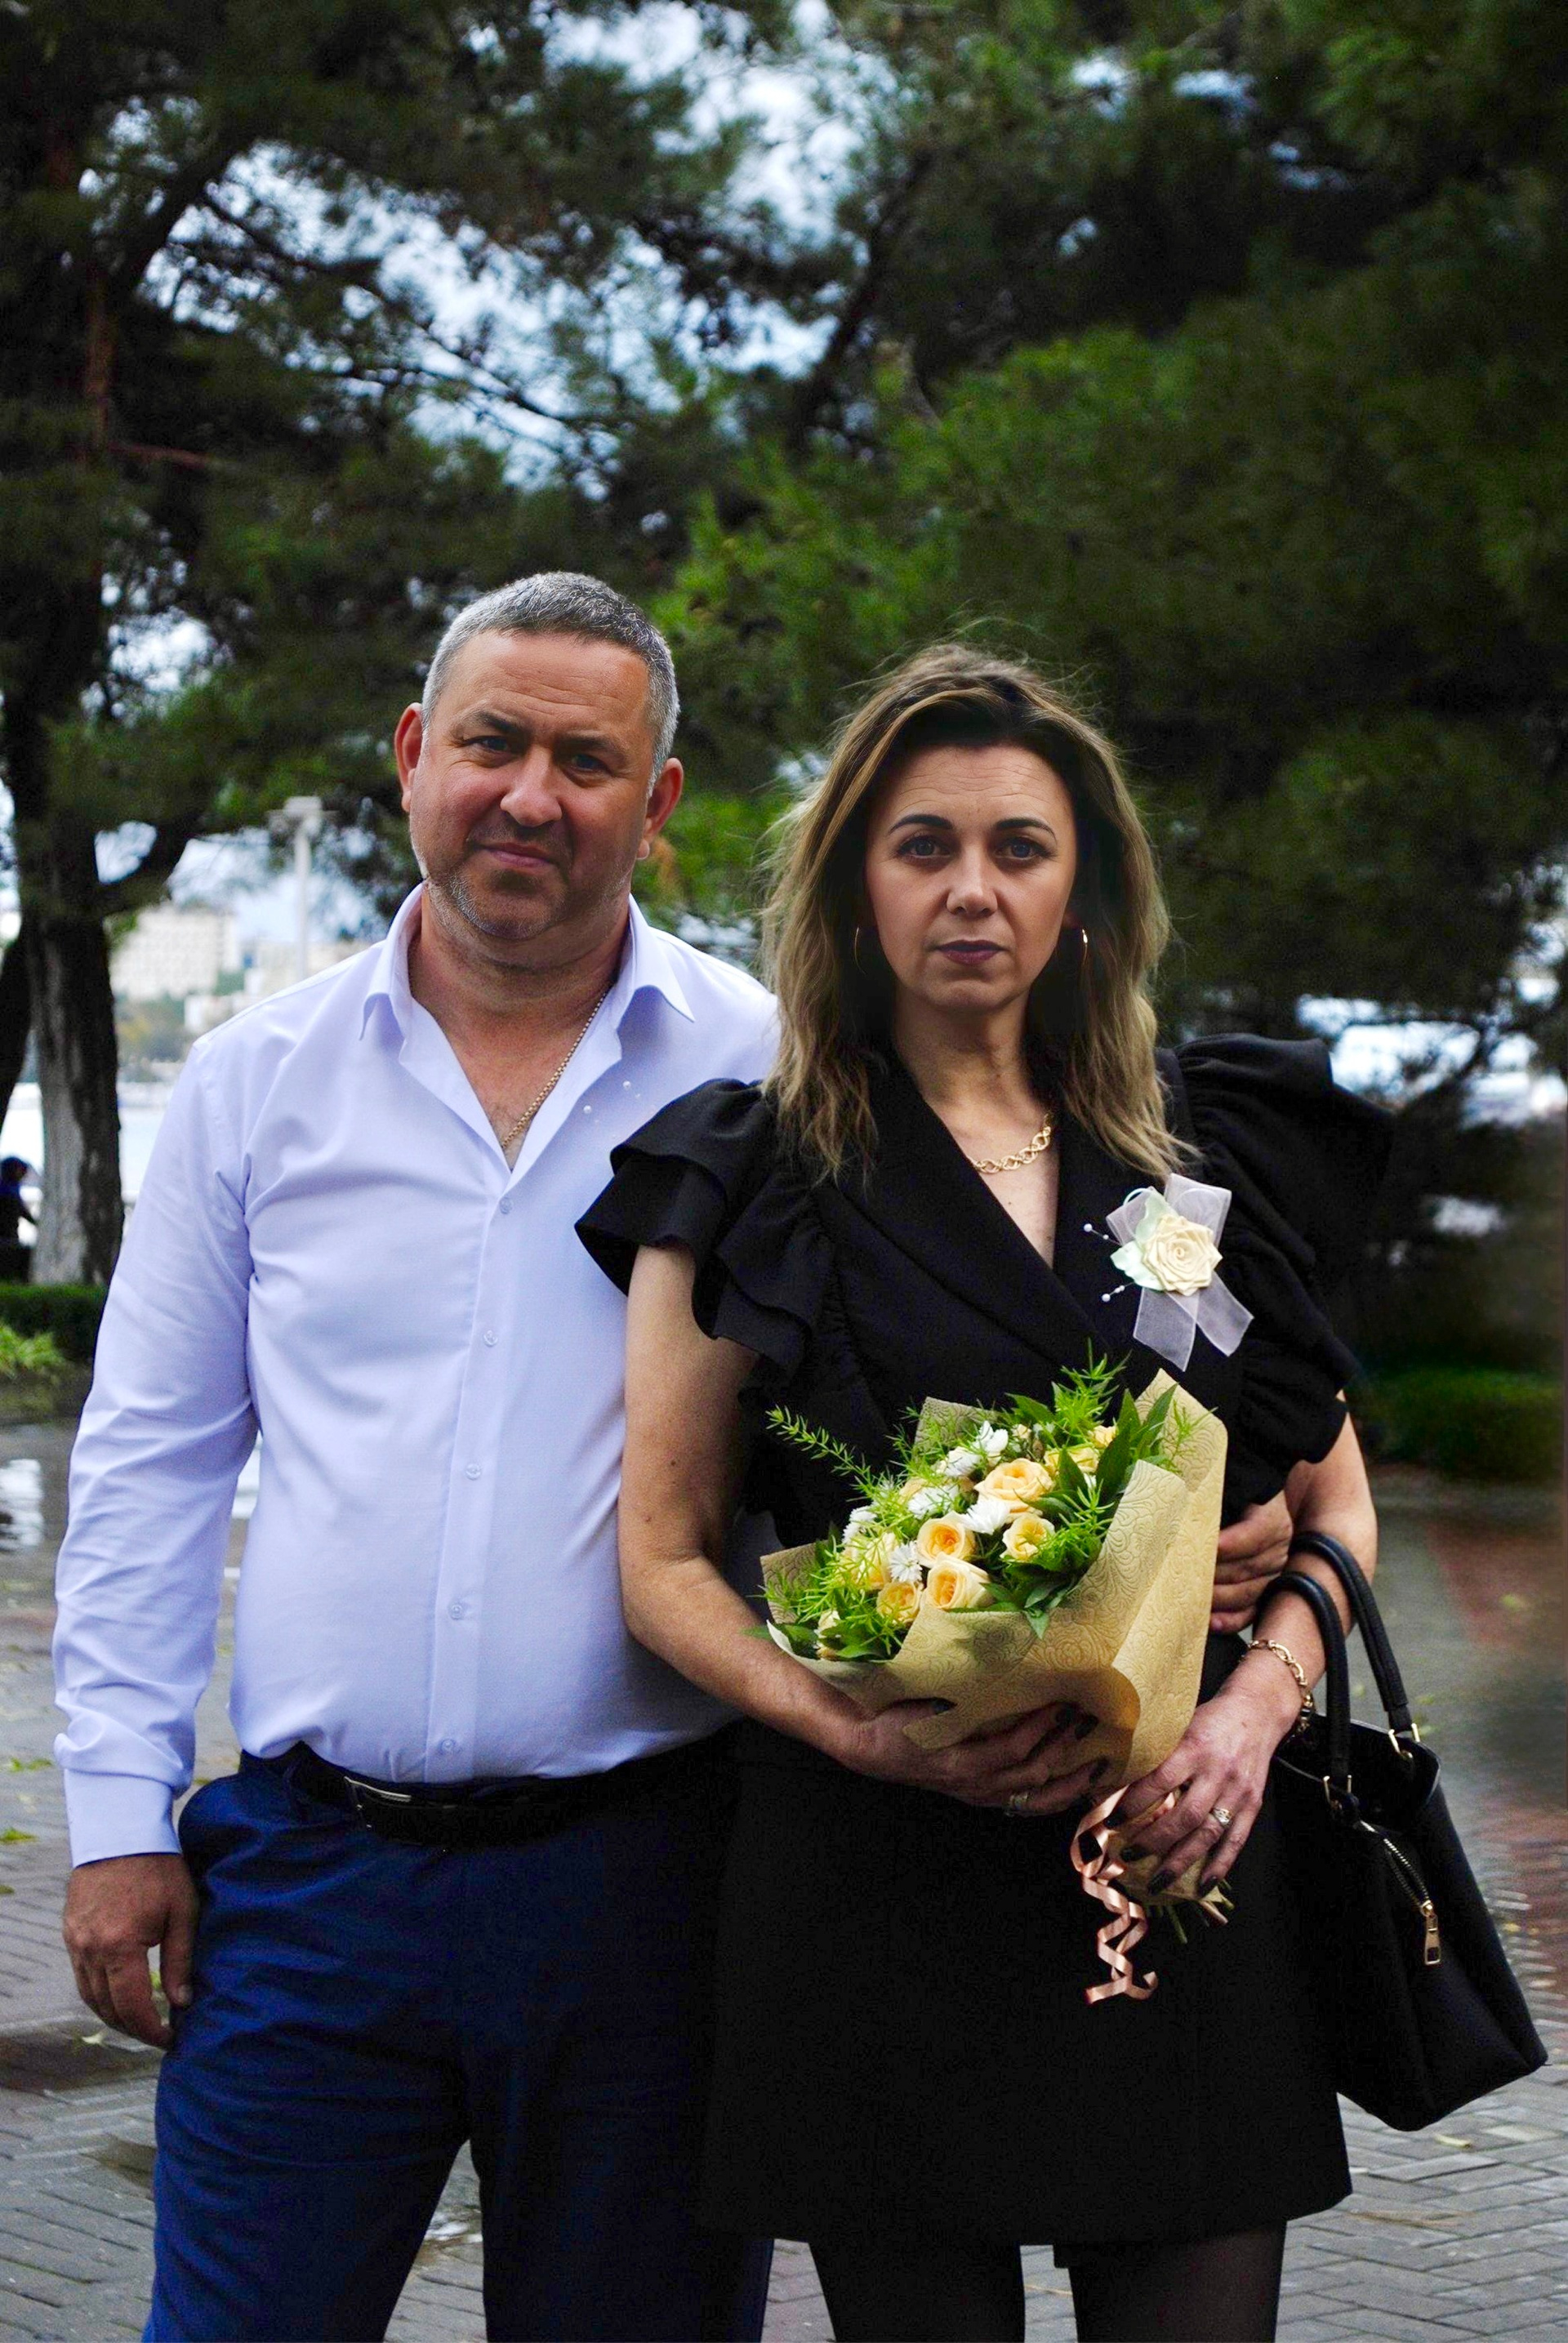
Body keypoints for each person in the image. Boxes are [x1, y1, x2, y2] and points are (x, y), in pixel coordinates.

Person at [578, 645, 1392, 2343]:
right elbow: (661, 1563)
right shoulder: (749, 1173)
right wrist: (857, 1727)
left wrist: (1250, 1720)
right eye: (922, 845)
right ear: (852, 888)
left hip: (1176, 1864)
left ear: (1083, 888)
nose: (972, 889)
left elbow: (1336, 1507)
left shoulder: (1186, 1170)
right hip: (873, 1889)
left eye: (1020, 847)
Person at [52, 574, 780, 2343]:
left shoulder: (770, 1072)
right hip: (309, 1895)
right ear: (411, 755)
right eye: (492, 742)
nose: (530, 794)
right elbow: (150, 1467)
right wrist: (116, 1821)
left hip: (652, 1894)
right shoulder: (257, 1080)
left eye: (586, 761)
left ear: (659, 803)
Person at [0, 1155, 35, 1281]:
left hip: (11, 1235)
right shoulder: (7, 1191)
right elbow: (22, 1211)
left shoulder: (14, 1189)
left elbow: (22, 1212)